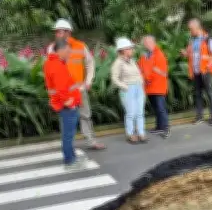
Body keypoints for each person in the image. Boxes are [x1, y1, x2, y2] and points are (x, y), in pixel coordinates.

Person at [47, 19, 107, 150]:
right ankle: (68, 145)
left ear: (68, 32)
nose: (56, 34)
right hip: (63, 92)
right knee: (66, 118)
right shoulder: (52, 48)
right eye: (56, 32)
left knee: (85, 115)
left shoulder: (80, 46)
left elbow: (90, 62)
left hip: (79, 89)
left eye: (59, 31)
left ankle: (91, 141)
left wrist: (88, 81)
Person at [43, 39, 84, 170]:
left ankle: (72, 157)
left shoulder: (53, 63)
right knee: (68, 134)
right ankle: (70, 161)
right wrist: (69, 102)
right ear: (60, 50)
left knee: (68, 133)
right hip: (66, 105)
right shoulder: (56, 65)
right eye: (68, 51)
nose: (69, 54)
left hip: (65, 104)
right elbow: (61, 88)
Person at [181, 18, 212, 126]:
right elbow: (189, 54)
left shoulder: (208, 39)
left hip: (205, 72)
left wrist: (208, 66)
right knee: (198, 94)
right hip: (196, 72)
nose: (190, 31)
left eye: (191, 29)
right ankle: (200, 116)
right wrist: (184, 53)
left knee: (209, 93)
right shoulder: (192, 41)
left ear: (197, 28)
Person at [110, 37, 146, 143]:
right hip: (128, 89)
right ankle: (130, 134)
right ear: (123, 50)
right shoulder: (118, 63)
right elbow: (114, 78)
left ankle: (141, 133)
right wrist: (125, 86)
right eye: (130, 48)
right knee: (131, 113)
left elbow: (138, 73)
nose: (132, 50)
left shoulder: (132, 61)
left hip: (138, 88)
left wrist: (141, 84)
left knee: (140, 112)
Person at [139, 35, 170, 138]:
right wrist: (144, 78)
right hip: (149, 87)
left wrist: (147, 79)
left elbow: (158, 71)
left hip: (158, 86)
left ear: (153, 42)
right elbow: (140, 68)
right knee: (156, 108)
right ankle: (159, 127)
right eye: (145, 42)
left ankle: (165, 128)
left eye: (148, 42)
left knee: (161, 108)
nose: (146, 44)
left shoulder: (159, 55)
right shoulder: (144, 55)